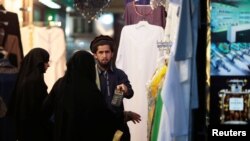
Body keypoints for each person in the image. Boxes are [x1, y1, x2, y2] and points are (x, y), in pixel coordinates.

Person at [42, 50, 123, 141]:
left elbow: (46, 109)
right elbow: (104, 118)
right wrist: (122, 111)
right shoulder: (91, 90)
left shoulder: (60, 84)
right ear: (89, 68)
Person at [90, 35, 141, 141]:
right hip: (98, 126)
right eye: (101, 52)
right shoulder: (90, 75)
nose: (104, 56)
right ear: (95, 55)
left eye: (107, 52)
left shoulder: (119, 74)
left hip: (118, 127)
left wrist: (126, 90)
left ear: (112, 54)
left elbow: (130, 93)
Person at [7, 48, 50, 141]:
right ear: (39, 62)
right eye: (46, 61)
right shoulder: (34, 82)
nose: (48, 65)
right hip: (34, 131)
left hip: (24, 131)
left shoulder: (25, 79)